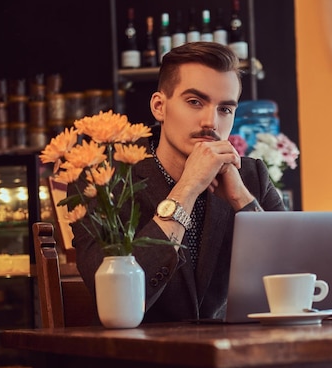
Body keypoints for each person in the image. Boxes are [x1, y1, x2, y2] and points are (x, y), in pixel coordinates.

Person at [72, 42, 285, 322]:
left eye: (225, 109)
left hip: (234, 354)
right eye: (195, 102)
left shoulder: (249, 177)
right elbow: (118, 301)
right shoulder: (105, 182)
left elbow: (292, 279)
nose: (211, 121)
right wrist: (187, 188)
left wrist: (241, 200)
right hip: (144, 358)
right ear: (159, 107)